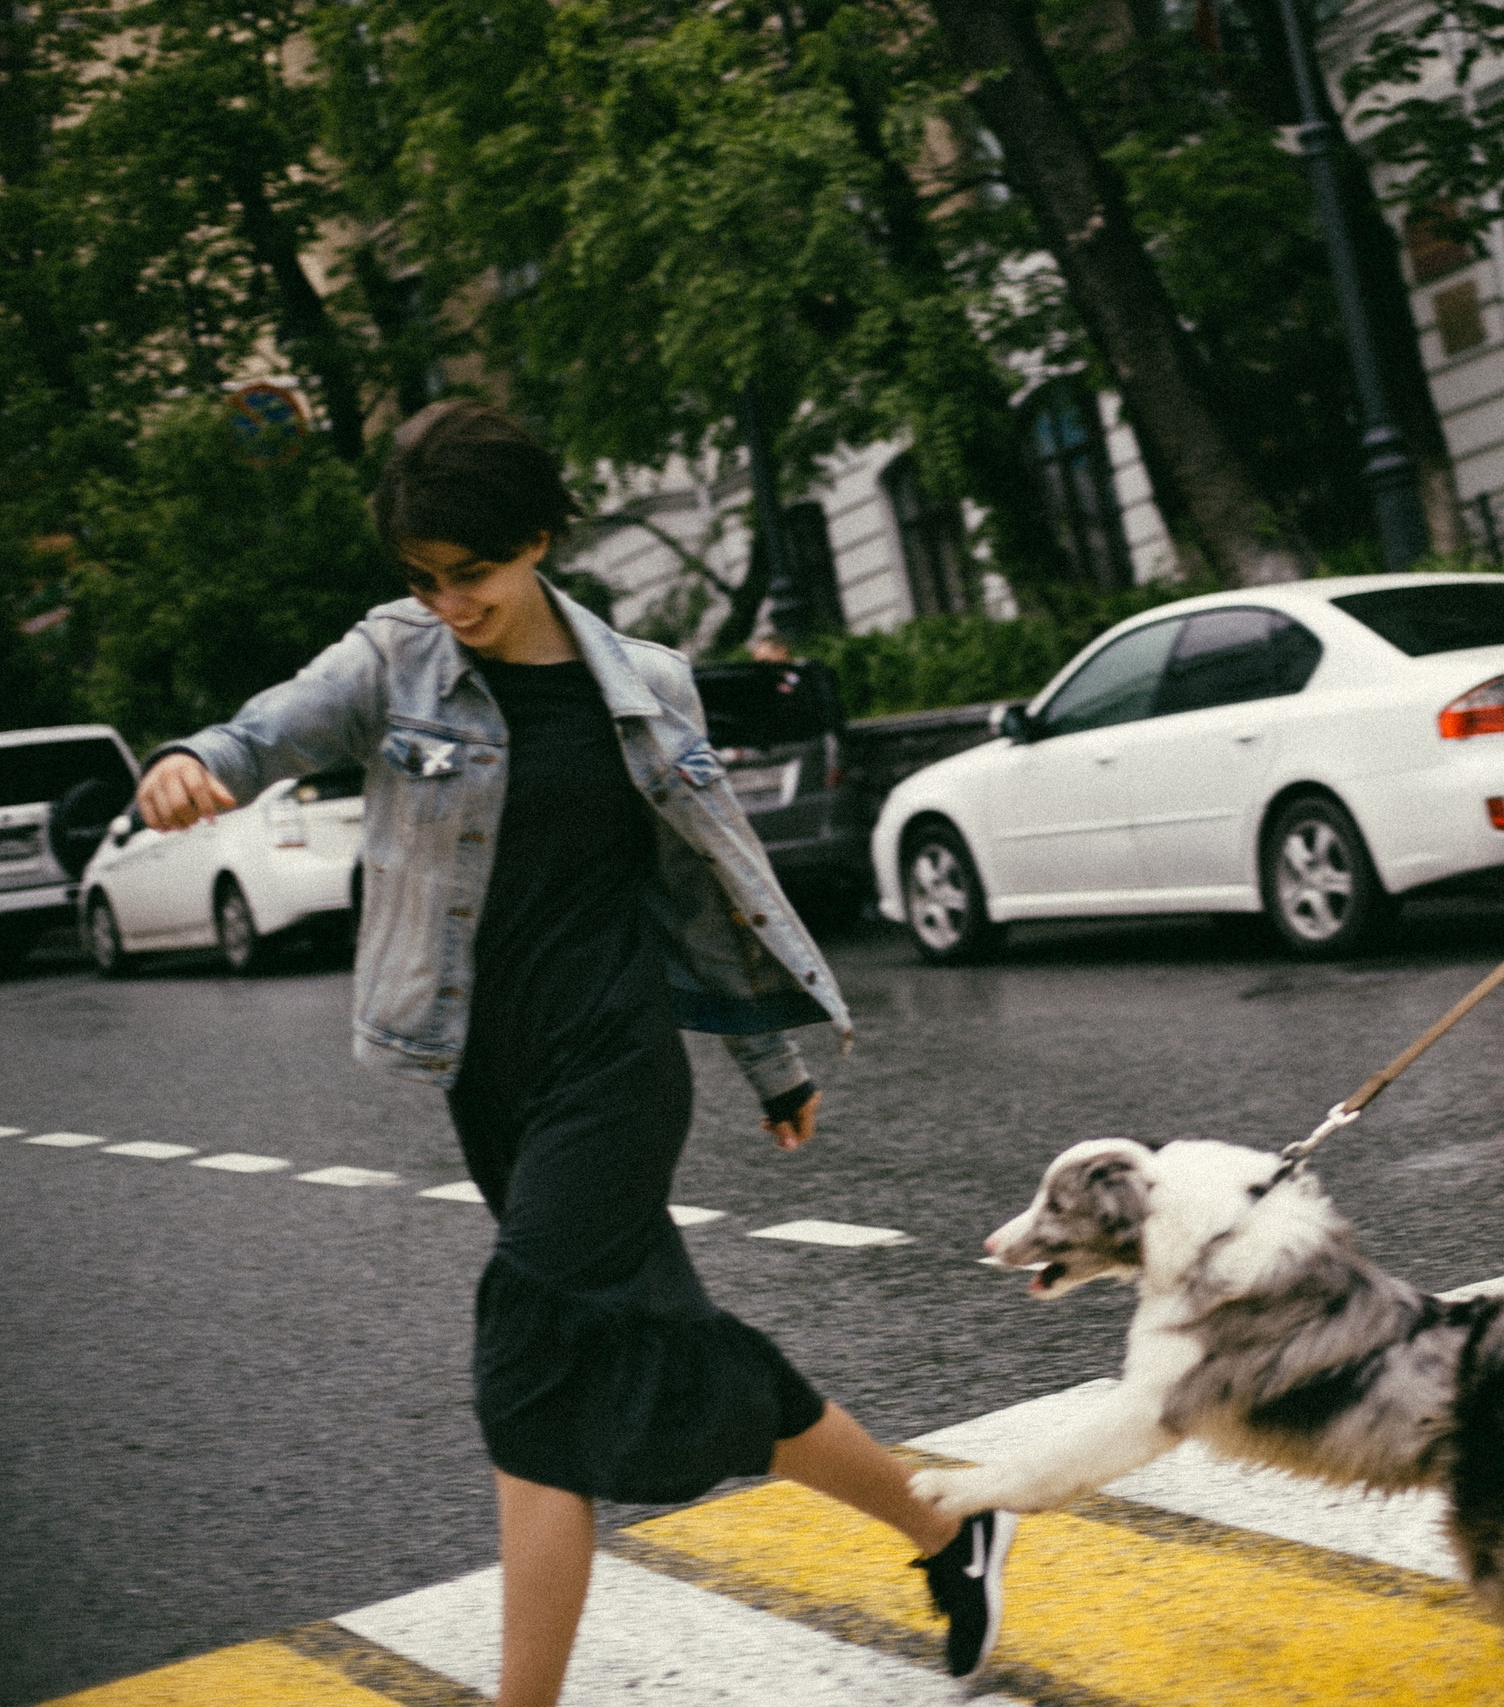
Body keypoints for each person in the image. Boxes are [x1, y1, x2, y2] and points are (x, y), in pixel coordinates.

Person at [135, 401, 1015, 1703]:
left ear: (538, 539)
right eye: (424, 580)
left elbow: (704, 890)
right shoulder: (396, 657)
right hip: (488, 1082)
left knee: (528, 1356)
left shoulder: (644, 689)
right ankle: (950, 1531)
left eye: (473, 575)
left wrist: (772, 1067)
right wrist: (196, 759)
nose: (450, 605)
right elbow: (276, 726)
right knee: (664, 1351)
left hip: (617, 1068)